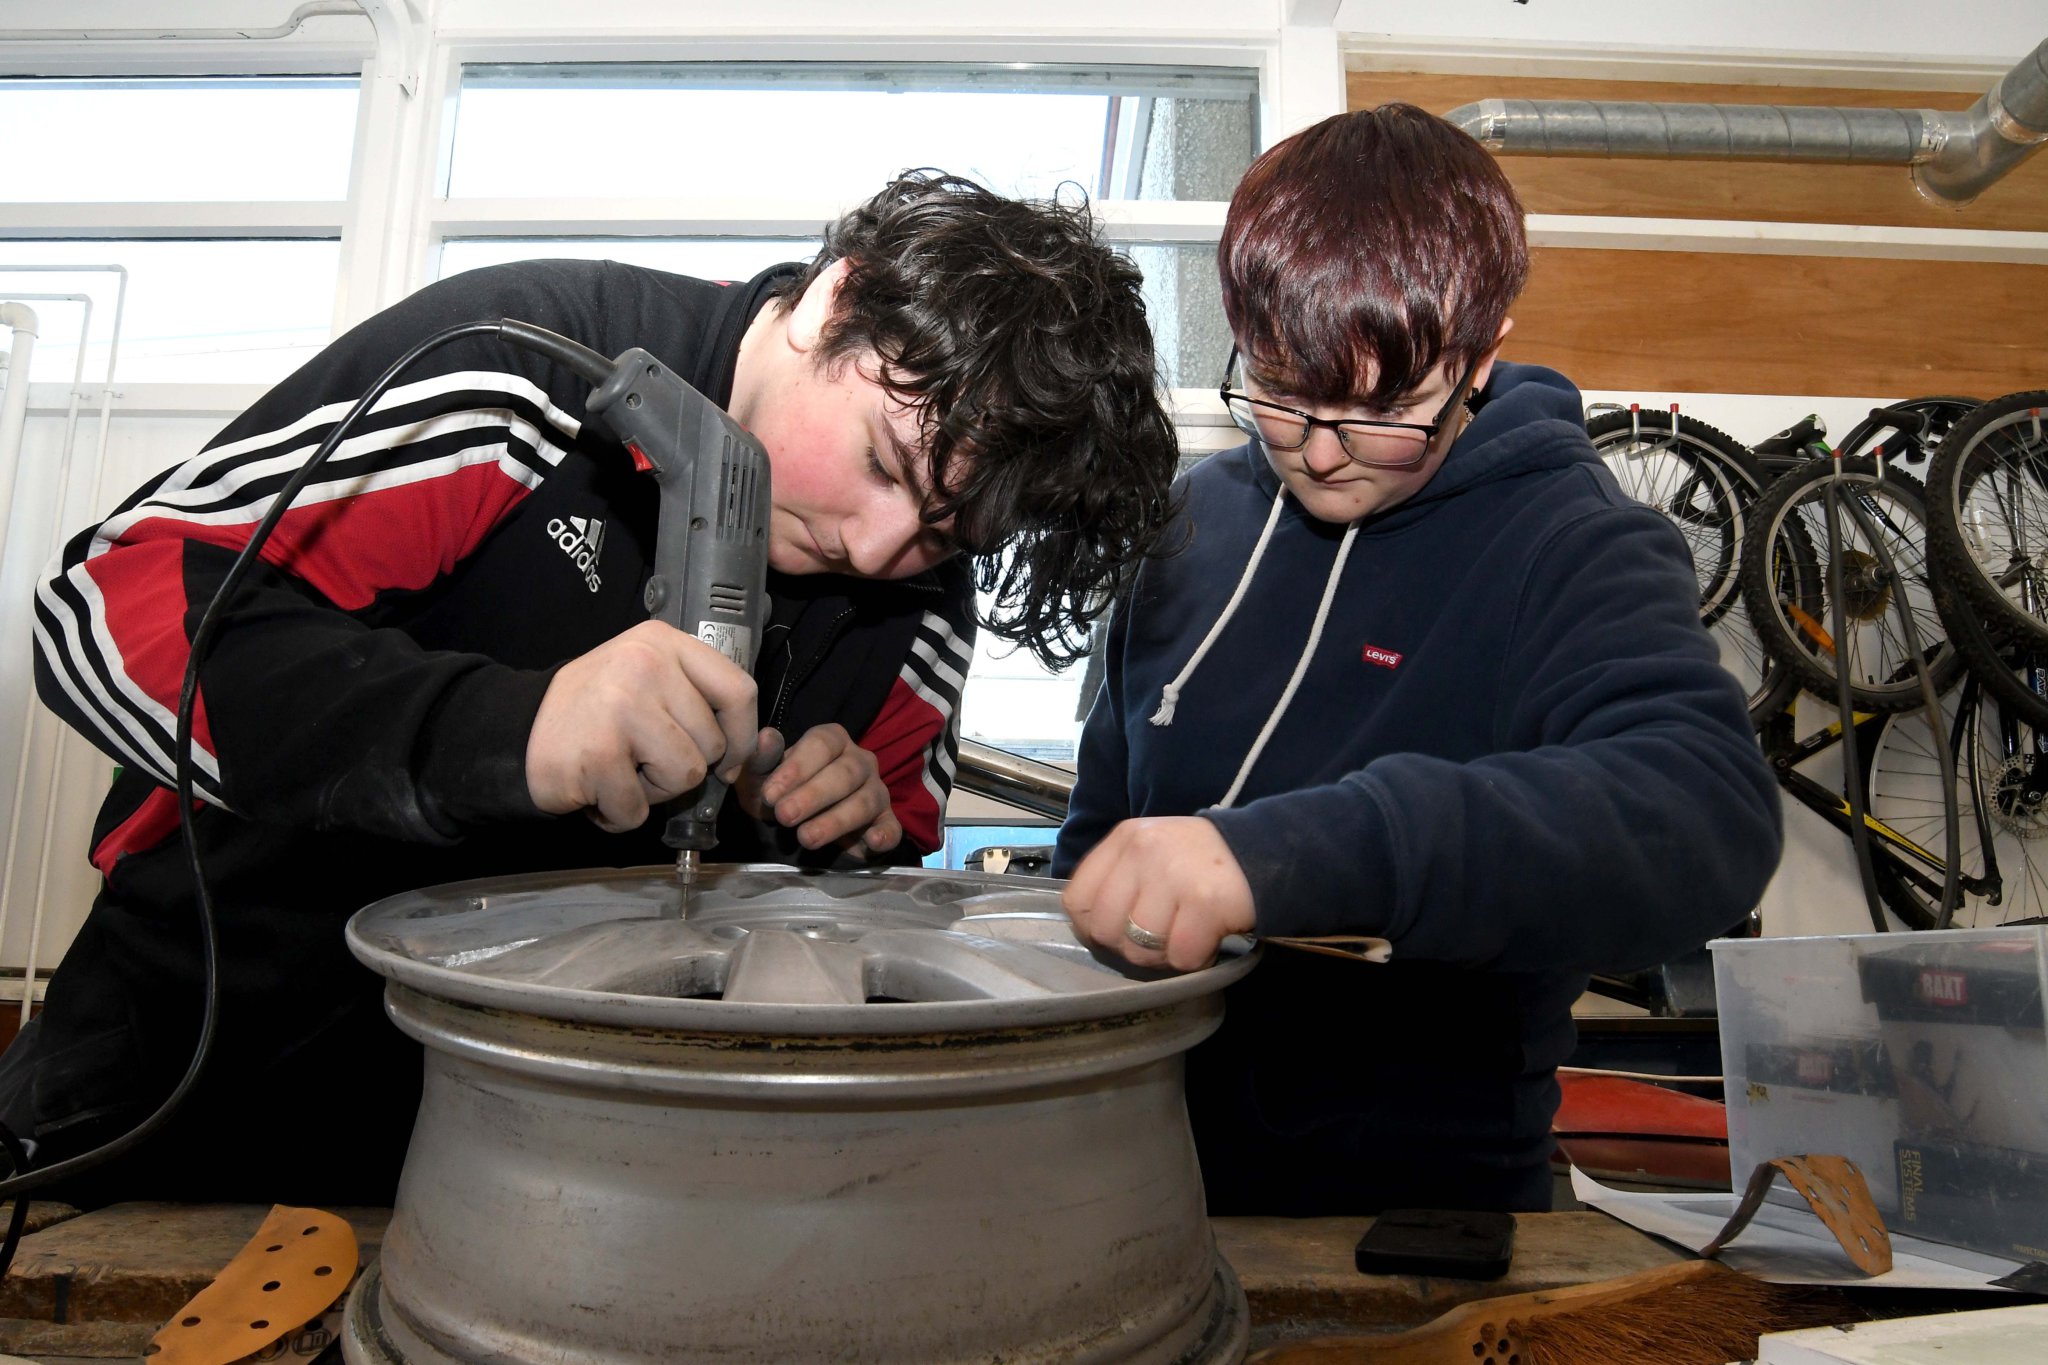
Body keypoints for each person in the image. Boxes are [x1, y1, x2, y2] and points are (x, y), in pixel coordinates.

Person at [7, 170, 1180, 1206]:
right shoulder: (518, 372)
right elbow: (107, 616)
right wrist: (509, 732)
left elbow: (885, 882)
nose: (880, 552)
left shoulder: (919, 598)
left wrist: (841, 835)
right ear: (836, 299)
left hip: (556, 1169)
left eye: (943, 528)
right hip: (190, 1098)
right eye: (881, 462)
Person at [1054, 107, 1781, 1214]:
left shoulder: (1569, 541)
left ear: (1478, 357)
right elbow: (1100, 831)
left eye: (1382, 406)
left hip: (1409, 1214)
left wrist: (1291, 854)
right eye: (1279, 391)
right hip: (1137, 1171)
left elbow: (1704, 816)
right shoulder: (1186, 528)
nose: (1320, 449)